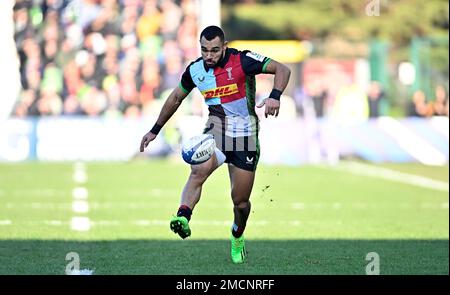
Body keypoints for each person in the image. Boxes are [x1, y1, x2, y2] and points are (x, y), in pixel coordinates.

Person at [139, 26, 291, 264]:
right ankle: (183, 216)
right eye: (204, 50)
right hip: (217, 128)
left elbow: (282, 69)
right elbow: (175, 98)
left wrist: (275, 95)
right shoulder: (195, 70)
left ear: (225, 46)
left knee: (240, 202)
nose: (209, 55)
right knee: (198, 170)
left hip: (245, 135)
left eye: (214, 50)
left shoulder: (243, 60)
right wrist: (155, 130)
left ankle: (237, 235)